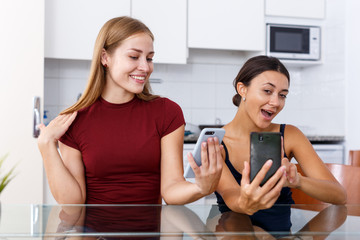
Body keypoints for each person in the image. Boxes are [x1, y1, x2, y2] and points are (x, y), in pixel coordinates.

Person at [37, 16, 223, 205]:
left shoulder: (167, 112)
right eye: (134, 57)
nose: (145, 67)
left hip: (149, 233)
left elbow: (171, 188)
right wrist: (46, 145)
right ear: (105, 57)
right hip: (96, 233)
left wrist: (201, 187)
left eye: (149, 58)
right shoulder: (74, 119)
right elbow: (73, 203)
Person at [213, 55, 346, 232]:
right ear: (242, 89)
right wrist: (256, 227)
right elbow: (233, 198)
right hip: (234, 232)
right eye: (267, 91)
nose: (276, 102)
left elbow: (339, 195)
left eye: (282, 95)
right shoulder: (217, 142)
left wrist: (297, 181)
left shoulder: (290, 135)